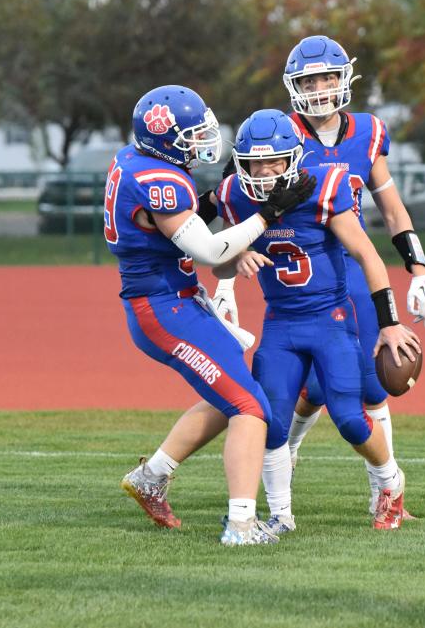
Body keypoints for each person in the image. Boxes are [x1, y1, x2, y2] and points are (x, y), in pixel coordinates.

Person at [209, 36, 425, 522]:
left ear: (345, 80)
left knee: (371, 384)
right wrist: (226, 280)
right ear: (293, 86)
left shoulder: (368, 131)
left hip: (351, 270)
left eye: (328, 78)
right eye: (309, 80)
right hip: (298, 279)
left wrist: (418, 270)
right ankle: (283, 457)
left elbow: (392, 210)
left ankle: (386, 490)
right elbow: (229, 204)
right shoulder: (273, 133)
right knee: (307, 384)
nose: (319, 89)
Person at [109, 85, 314, 546]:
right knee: (249, 408)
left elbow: (186, 230)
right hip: (165, 309)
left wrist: (207, 207)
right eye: (192, 133)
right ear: (165, 140)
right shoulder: (160, 180)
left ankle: (152, 476)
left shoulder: (138, 160)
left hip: (176, 301)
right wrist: (269, 213)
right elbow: (208, 248)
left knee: (236, 397)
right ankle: (241, 524)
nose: (203, 138)